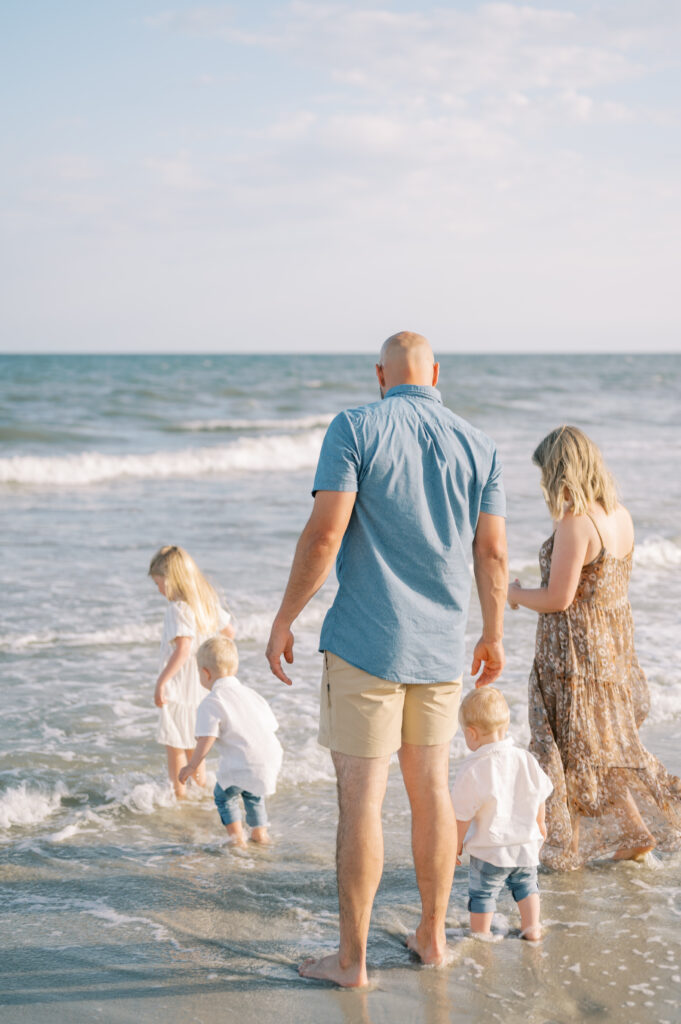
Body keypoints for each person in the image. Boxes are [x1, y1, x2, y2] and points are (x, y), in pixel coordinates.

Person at [266, 331, 508, 987]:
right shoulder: (478, 444)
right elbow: (490, 553)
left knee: (362, 802)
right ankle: (432, 938)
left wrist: (284, 618)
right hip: (439, 649)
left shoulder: (353, 427)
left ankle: (351, 963)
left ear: (380, 374)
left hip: (366, 645)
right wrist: (491, 631)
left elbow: (324, 534)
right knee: (430, 793)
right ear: (435, 372)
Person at [508, 426, 681, 869]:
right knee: (600, 746)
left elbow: (558, 599)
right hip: (612, 649)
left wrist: (514, 593)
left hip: (571, 655)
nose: (544, 484)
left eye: (546, 474)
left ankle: (570, 849)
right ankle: (632, 831)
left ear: (560, 471)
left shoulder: (575, 522)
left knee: (568, 748)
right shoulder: (619, 515)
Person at [451, 687, 552, 942]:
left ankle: (481, 936)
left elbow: (461, 814)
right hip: (525, 847)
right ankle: (532, 930)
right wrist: (540, 823)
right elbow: (540, 793)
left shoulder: (473, 768)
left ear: (471, 733)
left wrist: (456, 845)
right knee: (527, 887)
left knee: (483, 894)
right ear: (506, 725)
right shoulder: (525, 758)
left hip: (490, 851)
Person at [179, 634, 283, 847]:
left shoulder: (212, 701)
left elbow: (207, 738)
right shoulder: (252, 694)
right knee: (254, 794)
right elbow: (271, 726)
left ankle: (237, 840)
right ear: (233, 669)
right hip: (269, 757)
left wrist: (192, 765)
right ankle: (260, 835)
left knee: (224, 795)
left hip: (243, 762)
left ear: (205, 674)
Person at [149, 545, 234, 798]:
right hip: (200, 686)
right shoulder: (205, 603)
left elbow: (183, 649)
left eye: (158, 582)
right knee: (196, 747)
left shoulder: (177, 609)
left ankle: (180, 798)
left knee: (175, 745)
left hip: (179, 688)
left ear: (172, 580)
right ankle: (200, 794)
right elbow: (229, 633)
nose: (158, 589)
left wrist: (162, 682)